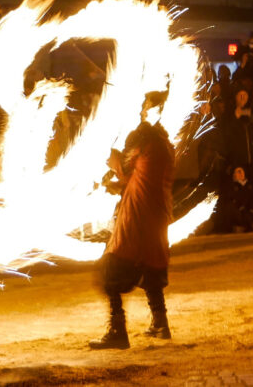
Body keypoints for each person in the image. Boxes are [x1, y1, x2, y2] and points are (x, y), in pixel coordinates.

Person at [90, 92, 176, 350]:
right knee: (151, 269)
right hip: (156, 217)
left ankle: (118, 331)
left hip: (138, 219)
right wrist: (115, 185)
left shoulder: (147, 142)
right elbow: (138, 178)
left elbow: (127, 169)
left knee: (107, 273)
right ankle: (161, 324)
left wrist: (113, 158)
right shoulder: (164, 144)